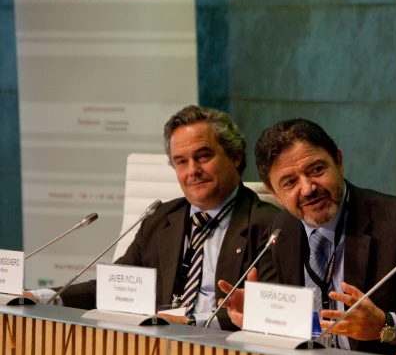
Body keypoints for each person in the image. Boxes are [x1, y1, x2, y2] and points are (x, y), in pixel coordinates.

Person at [218, 118, 396, 355]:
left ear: (339, 162)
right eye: (289, 183)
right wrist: (263, 315)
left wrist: (385, 324)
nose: (307, 189)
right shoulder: (282, 229)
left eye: (317, 169)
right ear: (273, 192)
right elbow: (296, 325)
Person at [29, 105, 278, 330]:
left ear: (234, 156)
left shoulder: (269, 226)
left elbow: (270, 310)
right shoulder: (159, 218)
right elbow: (113, 286)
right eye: (181, 162)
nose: (192, 171)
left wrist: (191, 322)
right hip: (153, 348)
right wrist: (42, 297)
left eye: (203, 156)